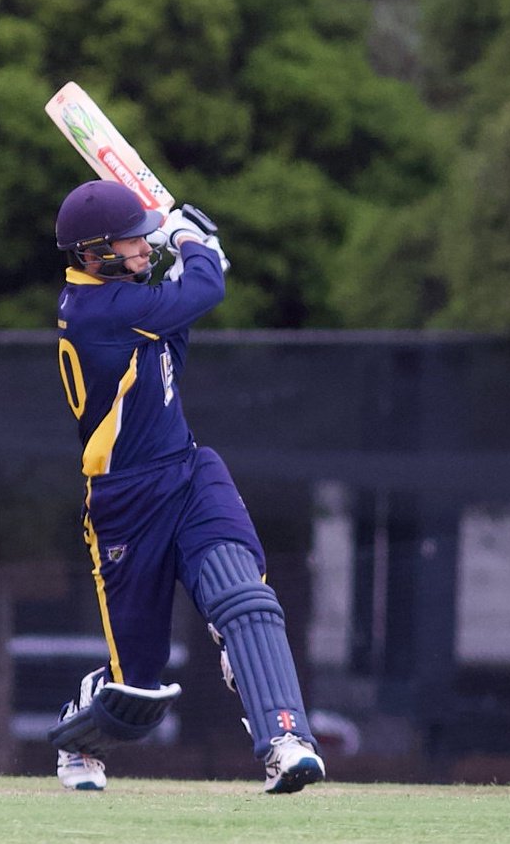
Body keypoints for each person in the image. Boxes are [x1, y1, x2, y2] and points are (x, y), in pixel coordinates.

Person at [49, 179, 325, 794]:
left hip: (188, 469)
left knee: (246, 601)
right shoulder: (100, 312)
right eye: (134, 240)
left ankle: (285, 742)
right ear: (96, 253)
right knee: (137, 695)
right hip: (125, 504)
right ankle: (79, 729)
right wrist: (193, 247)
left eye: (148, 237)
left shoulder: (128, 300)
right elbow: (204, 290)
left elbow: (183, 319)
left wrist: (190, 258)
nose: (145, 245)